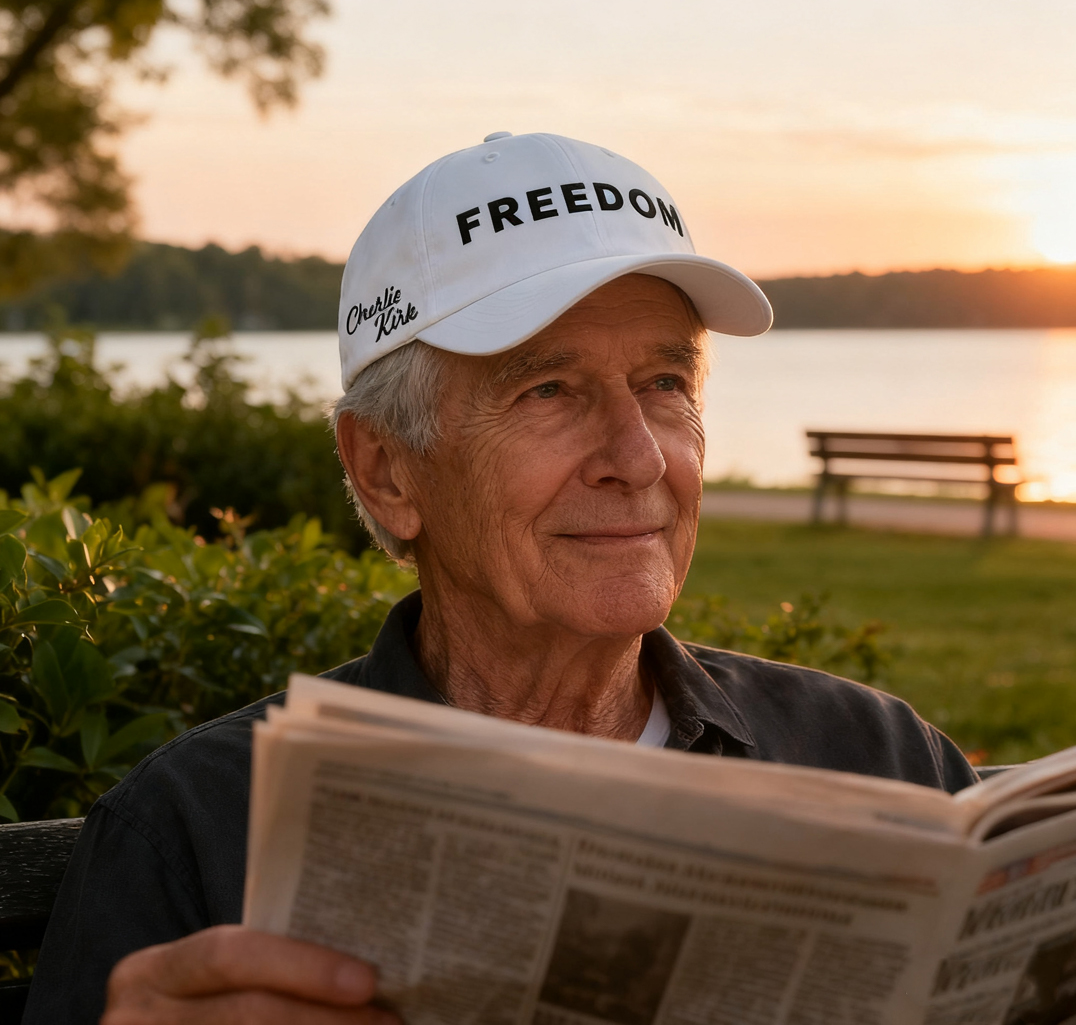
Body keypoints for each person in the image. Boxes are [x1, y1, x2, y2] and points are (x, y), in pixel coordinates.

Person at [24, 132, 977, 1024]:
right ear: (388, 472)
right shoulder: (192, 834)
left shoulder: (883, 761)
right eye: (548, 390)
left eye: (666, 383)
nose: (638, 457)